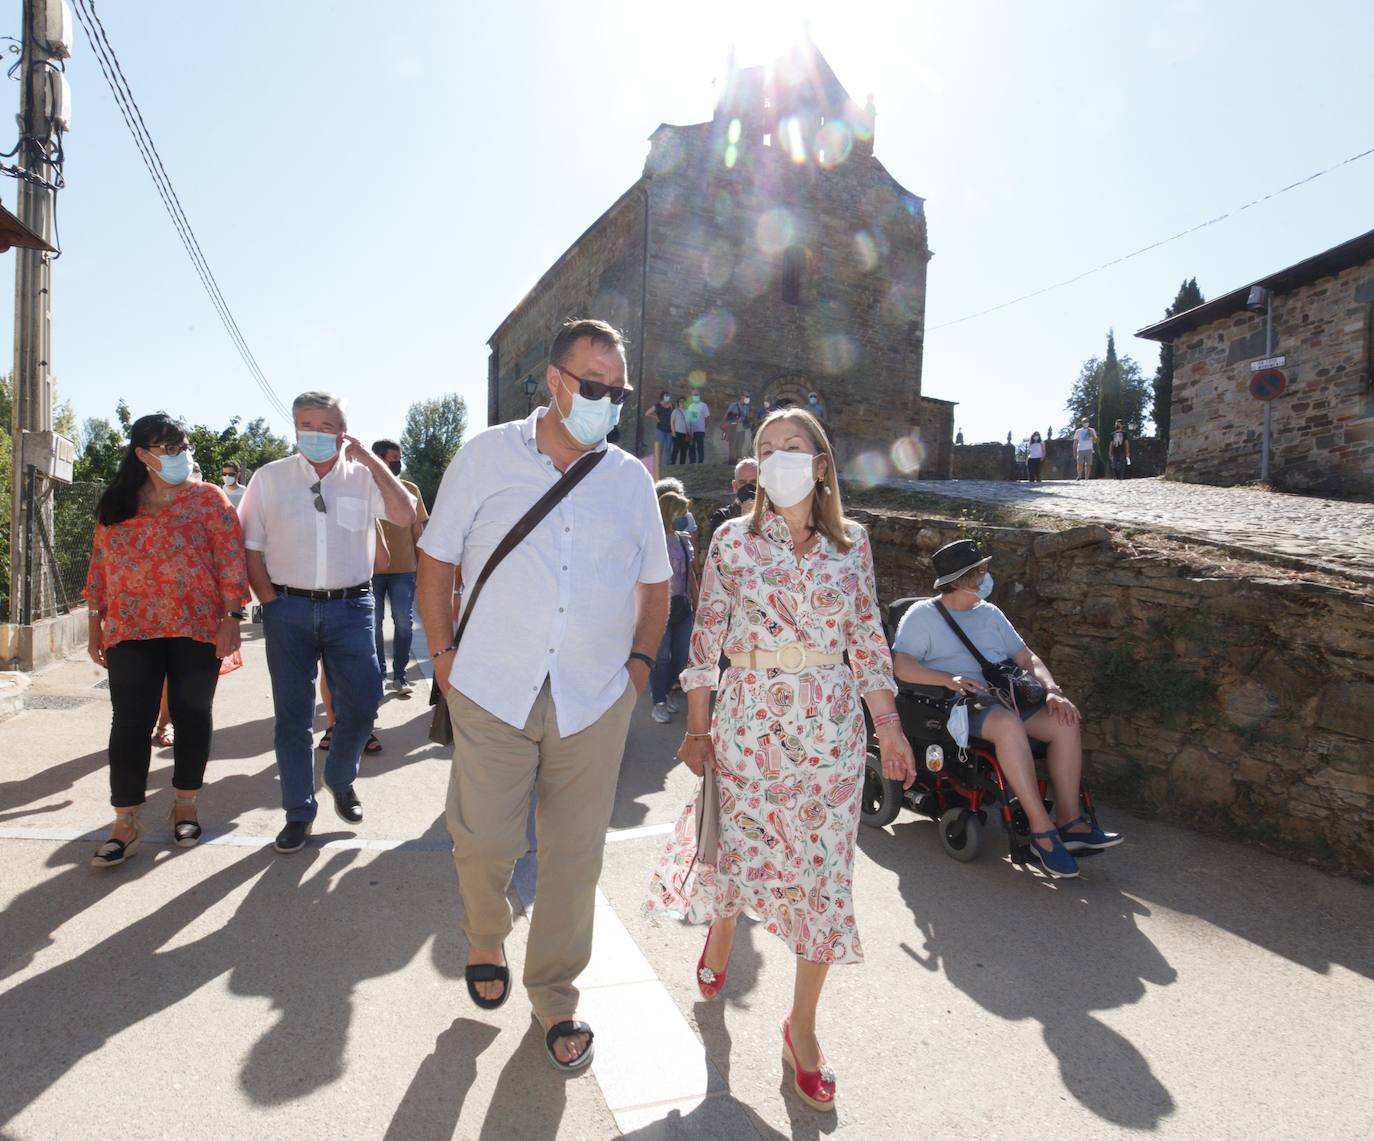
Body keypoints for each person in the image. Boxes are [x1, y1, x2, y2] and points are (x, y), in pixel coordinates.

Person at [416, 318, 670, 1073]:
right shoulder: (484, 456)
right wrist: (442, 660)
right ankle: (486, 932)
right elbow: (435, 564)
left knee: (575, 856)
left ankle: (555, 992)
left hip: (594, 697)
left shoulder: (629, 479)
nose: (606, 403)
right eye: (594, 386)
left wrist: (636, 672)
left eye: (617, 391)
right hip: (492, 685)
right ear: (555, 381)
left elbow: (654, 585)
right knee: (488, 838)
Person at [646, 408, 916, 1113]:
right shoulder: (733, 541)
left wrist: (886, 724)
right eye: (766, 448)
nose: (778, 458)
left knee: (823, 879)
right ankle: (724, 924)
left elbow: (867, 638)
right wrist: (698, 730)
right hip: (749, 722)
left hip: (829, 732)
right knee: (737, 853)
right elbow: (704, 643)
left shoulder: (852, 544)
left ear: (822, 464)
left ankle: (802, 1028)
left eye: (792, 447)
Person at [239, 391, 416, 855]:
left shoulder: (363, 477)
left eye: (327, 425)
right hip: (288, 609)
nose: (317, 434)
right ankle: (298, 812)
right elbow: (250, 546)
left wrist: (373, 463)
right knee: (293, 718)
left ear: (344, 430)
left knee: (363, 701)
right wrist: (271, 602)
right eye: (307, 425)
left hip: (351, 607)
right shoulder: (270, 478)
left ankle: (340, 776)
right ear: (295, 428)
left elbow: (404, 514)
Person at [890, 538, 1122, 879]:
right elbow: (902, 666)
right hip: (959, 703)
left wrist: (1053, 691)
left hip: (1007, 696)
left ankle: (1071, 822)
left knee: (1064, 722)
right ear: (961, 579)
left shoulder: (991, 614)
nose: (986, 577)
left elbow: (1026, 657)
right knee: (1008, 725)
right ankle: (1042, 832)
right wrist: (945, 678)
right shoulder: (922, 616)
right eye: (980, 571)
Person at [83, 413, 248, 867]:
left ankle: (186, 804)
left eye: (183, 447)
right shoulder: (117, 503)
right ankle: (125, 821)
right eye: (169, 448)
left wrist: (232, 616)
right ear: (142, 454)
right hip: (130, 625)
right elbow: (99, 566)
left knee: (194, 714)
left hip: (196, 624)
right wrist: (95, 622)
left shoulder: (209, 499)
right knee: (130, 722)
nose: (181, 456)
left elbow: (231, 560)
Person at [370, 438, 429, 695]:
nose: (397, 463)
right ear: (378, 459)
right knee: (373, 623)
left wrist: (424, 566)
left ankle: (401, 676)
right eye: (393, 458)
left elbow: (418, 531)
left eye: (398, 459)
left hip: (404, 570)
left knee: (403, 621)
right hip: (370, 572)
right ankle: (379, 674)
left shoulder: (411, 490)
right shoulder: (364, 489)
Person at [650, 490, 696, 724]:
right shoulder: (653, 541)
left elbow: (691, 574)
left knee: (680, 657)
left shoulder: (683, 538)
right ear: (669, 513)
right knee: (661, 659)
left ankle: (667, 691)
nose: (685, 516)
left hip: (683, 607)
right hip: (660, 608)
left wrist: (696, 601)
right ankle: (658, 700)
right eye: (681, 512)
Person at [706, 458, 757, 549]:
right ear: (735, 486)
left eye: (754, 482)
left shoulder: (773, 515)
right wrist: (742, 521)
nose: (748, 487)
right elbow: (719, 550)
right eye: (742, 482)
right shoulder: (722, 516)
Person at [722, 393, 754, 464]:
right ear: (742, 397)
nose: (747, 398)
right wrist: (725, 423)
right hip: (733, 428)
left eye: (748, 397)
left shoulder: (746, 407)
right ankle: (730, 462)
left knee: (740, 446)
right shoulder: (733, 405)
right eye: (746, 397)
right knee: (732, 445)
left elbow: (746, 417)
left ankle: (738, 463)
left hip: (742, 429)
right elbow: (728, 415)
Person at [650, 390, 674, 473]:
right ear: (662, 397)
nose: (667, 397)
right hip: (661, 430)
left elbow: (673, 416)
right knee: (659, 449)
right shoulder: (658, 405)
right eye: (666, 395)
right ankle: (657, 466)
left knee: (669, 449)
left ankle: (668, 467)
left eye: (668, 395)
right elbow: (647, 413)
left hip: (670, 430)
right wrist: (656, 418)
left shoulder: (671, 405)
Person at [685, 393, 710, 463]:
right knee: (691, 447)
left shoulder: (704, 405)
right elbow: (688, 418)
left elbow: (707, 417)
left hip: (700, 430)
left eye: (697, 395)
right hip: (692, 430)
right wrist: (688, 430)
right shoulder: (690, 406)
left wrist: (704, 427)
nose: (695, 397)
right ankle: (692, 463)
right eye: (694, 395)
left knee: (700, 447)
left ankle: (700, 462)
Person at [670, 396, 690, 465]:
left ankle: (682, 465)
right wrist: (673, 431)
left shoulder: (688, 412)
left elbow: (689, 423)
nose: (682, 403)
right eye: (680, 401)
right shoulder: (675, 411)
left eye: (683, 401)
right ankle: (672, 464)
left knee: (683, 452)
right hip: (677, 433)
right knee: (675, 450)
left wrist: (689, 433)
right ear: (678, 403)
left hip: (685, 434)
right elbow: (672, 422)